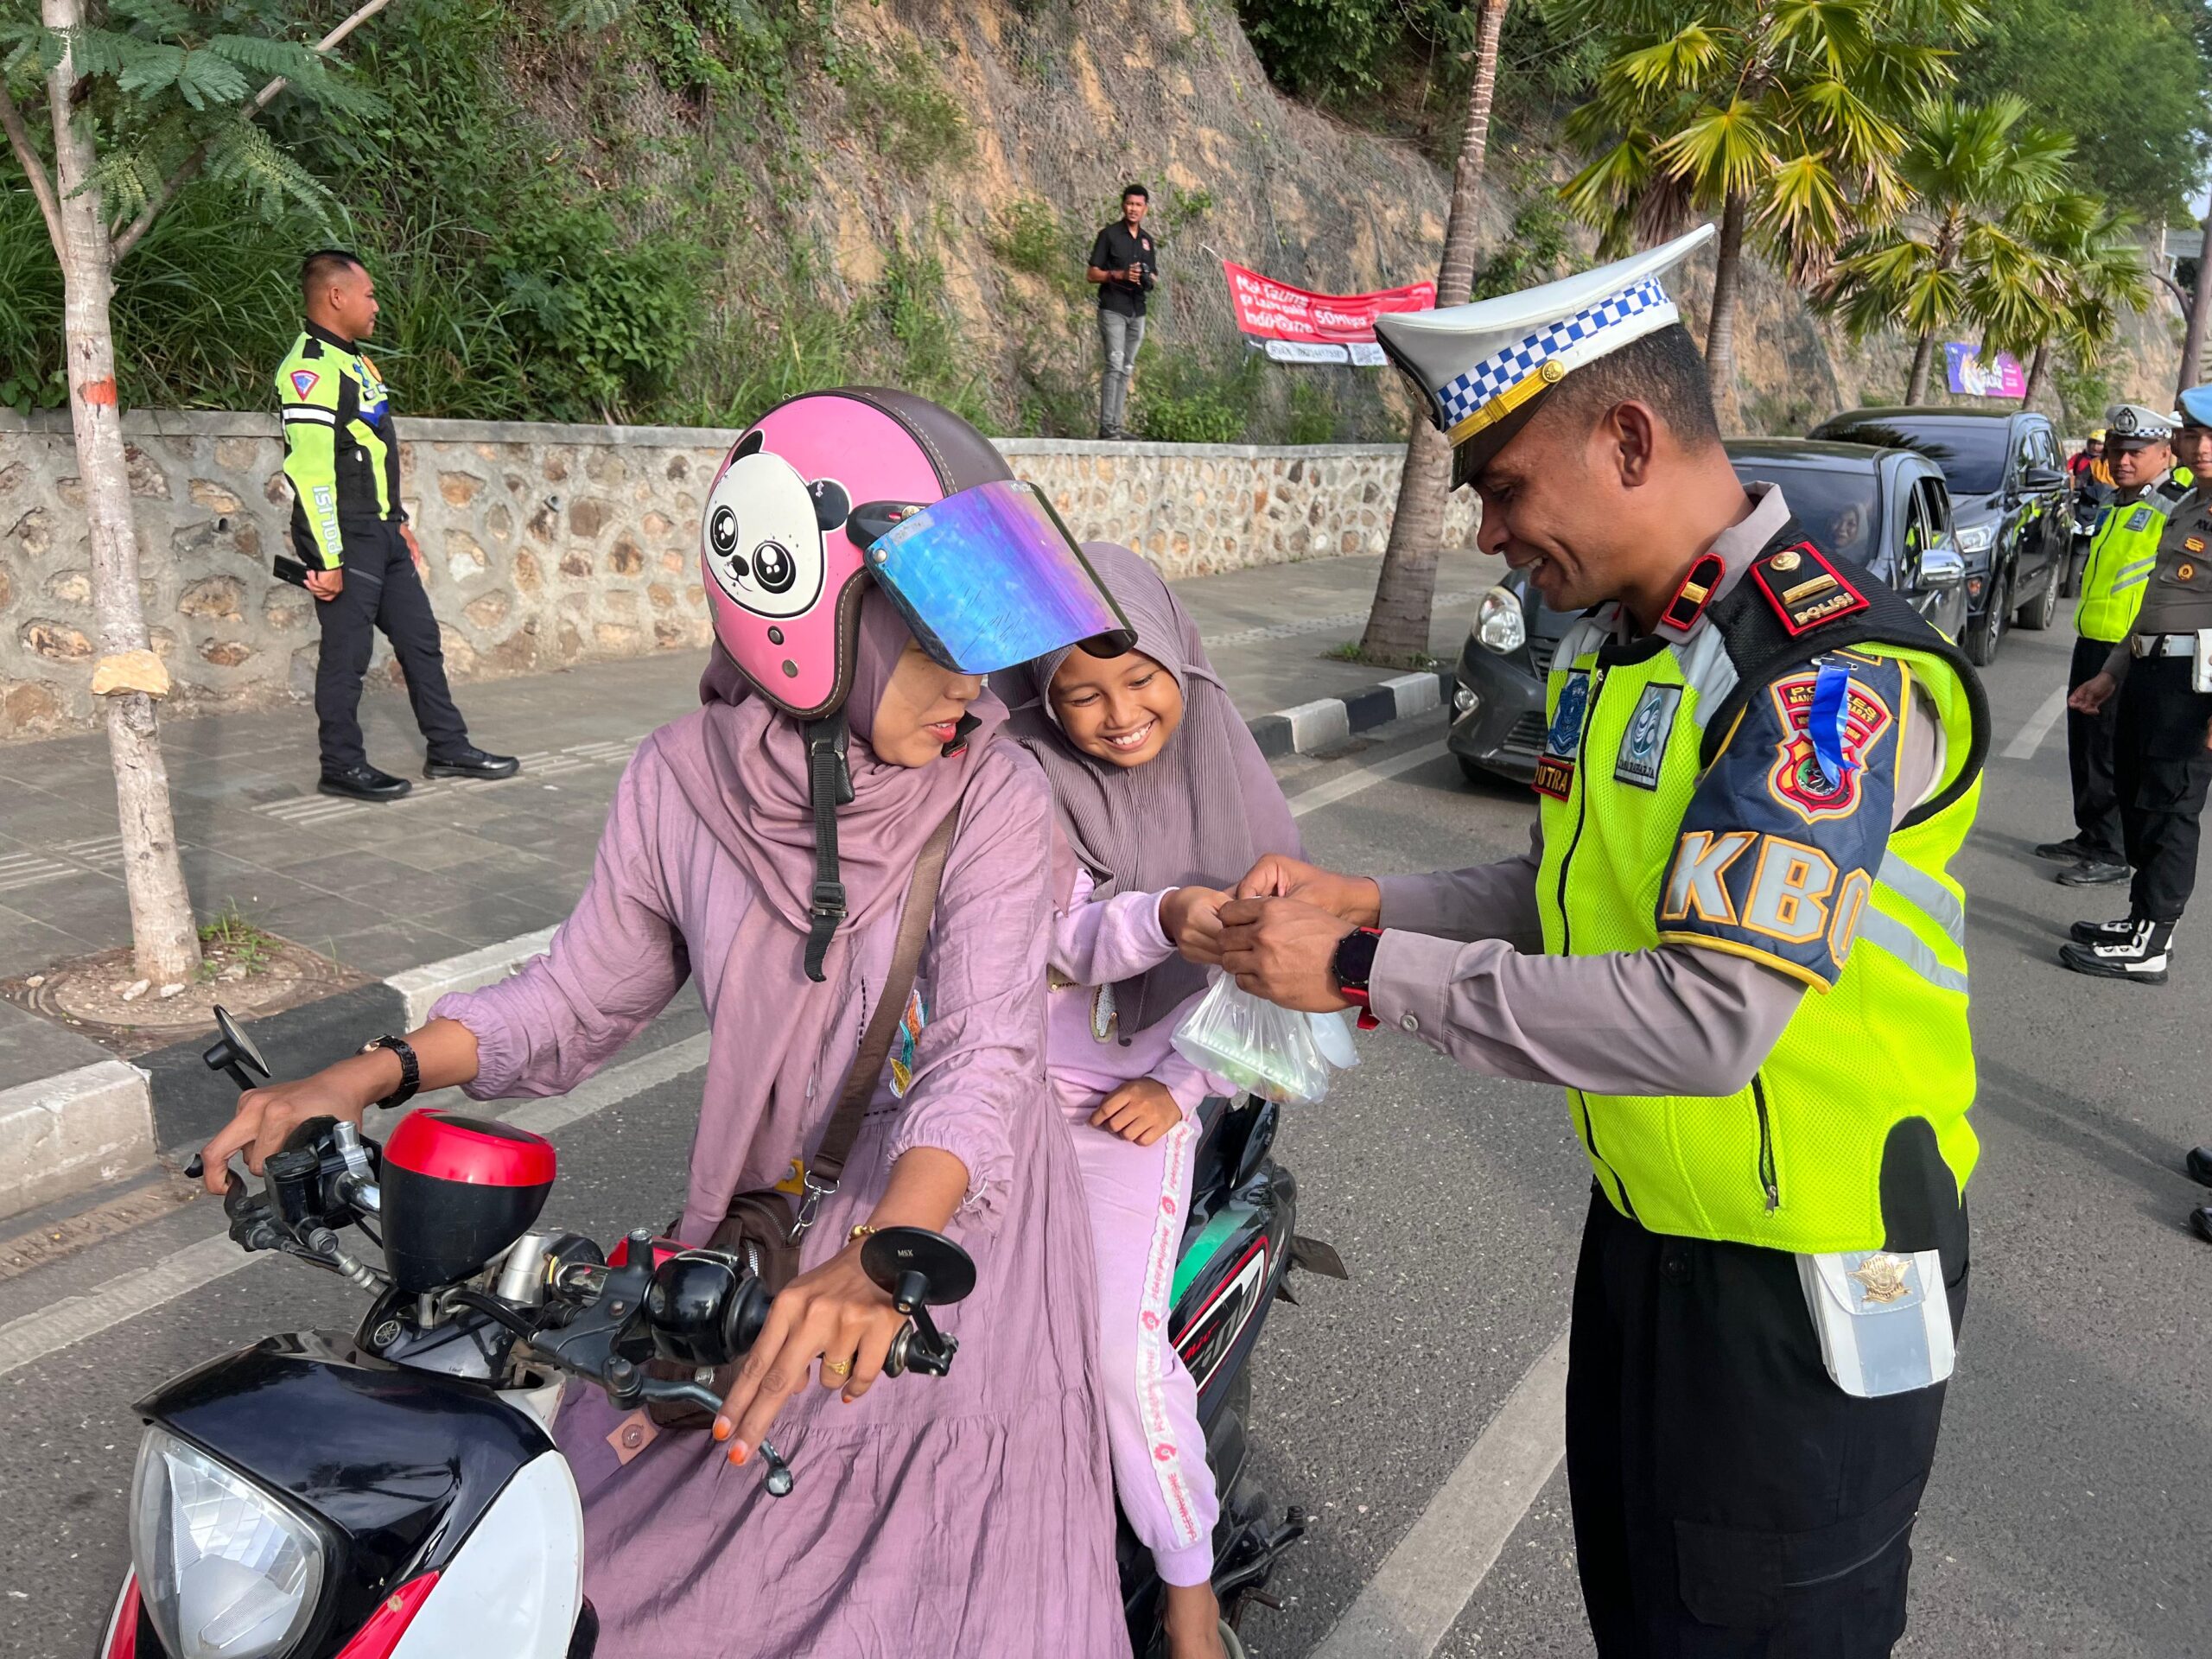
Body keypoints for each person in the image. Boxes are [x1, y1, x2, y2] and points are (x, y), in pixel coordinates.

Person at [199, 389, 1135, 1656]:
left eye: (980, 649)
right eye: (936, 645)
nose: (972, 689)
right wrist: (365, 1075)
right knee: (606, 1556)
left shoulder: (998, 799)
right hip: (766, 1226)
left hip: (944, 1233)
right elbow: (578, 999)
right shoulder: (677, 782)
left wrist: (891, 1256)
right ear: (809, 622)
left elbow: (983, 1052)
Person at [1206, 226, 1990, 1656]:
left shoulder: (1825, 679)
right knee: (1646, 1617)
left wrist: (1368, 973)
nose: (1492, 534)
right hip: (1644, 1240)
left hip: (1807, 1285)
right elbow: (1561, 895)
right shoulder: (1631, 649)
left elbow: (1707, 1017)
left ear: (1629, 439)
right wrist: (1358, 905)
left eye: (1504, 489)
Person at [1000, 541, 1301, 1659]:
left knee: (1115, 1361)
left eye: (1139, 681)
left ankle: (1188, 1599)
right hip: (1004, 1070)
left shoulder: (1230, 772)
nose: (1116, 715)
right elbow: (1041, 938)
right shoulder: (1023, 776)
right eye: (1079, 694)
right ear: (1042, 695)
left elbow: (1282, 989)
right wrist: (1162, 912)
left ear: (1181, 660)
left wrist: (1180, 1085)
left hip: (1138, 1089)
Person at [277, 250, 517, 801]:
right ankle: (340, 765)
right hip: (347, 535)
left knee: (420, 640)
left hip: (382, 531)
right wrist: (327, 557)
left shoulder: (355, 362)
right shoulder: (310, 369)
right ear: (336, 296)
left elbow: (369, 452)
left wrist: (399, 521)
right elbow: (310, 471)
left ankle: (448, 748)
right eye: (368, 294)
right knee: (348, 654)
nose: (376, 305)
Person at [2059, 387, 2212, 984]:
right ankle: (2140, 921)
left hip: (2193, 681)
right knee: (2142, 799)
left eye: (2211, 437)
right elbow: (2155, 603)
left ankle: (2153, 942)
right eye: (2194, 434)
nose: (2201, 448)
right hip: (2150, 668)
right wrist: (2111, 673)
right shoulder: (2190, 507)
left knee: (2173, 810)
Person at [2037, 405, 2183, 886]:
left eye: (2135, 452)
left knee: (2112, 751)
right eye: (2118, 451)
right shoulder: (2115, 501)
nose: (2122, 459)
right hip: (2093, 640)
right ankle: (2092, 833)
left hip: (2129, 649)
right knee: (2085, 746)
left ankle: (2114, 849)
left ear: (2164, 454)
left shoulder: (2172, 506)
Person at [1089, 185, 1159, 440]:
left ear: (1145, 209)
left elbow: (1153, 274)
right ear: (1123, 205)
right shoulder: (1109, 235)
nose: (1133, 209)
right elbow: (1091, 274)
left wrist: (1148, 279)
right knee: (1114, 364)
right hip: (1113, 308)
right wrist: (1118, 274)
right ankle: (1107, 428)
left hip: (1137, 310)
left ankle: (1116, 426)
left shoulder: (1147, 241)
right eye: (1130, 204)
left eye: (1138, 205)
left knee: (1127, 368)